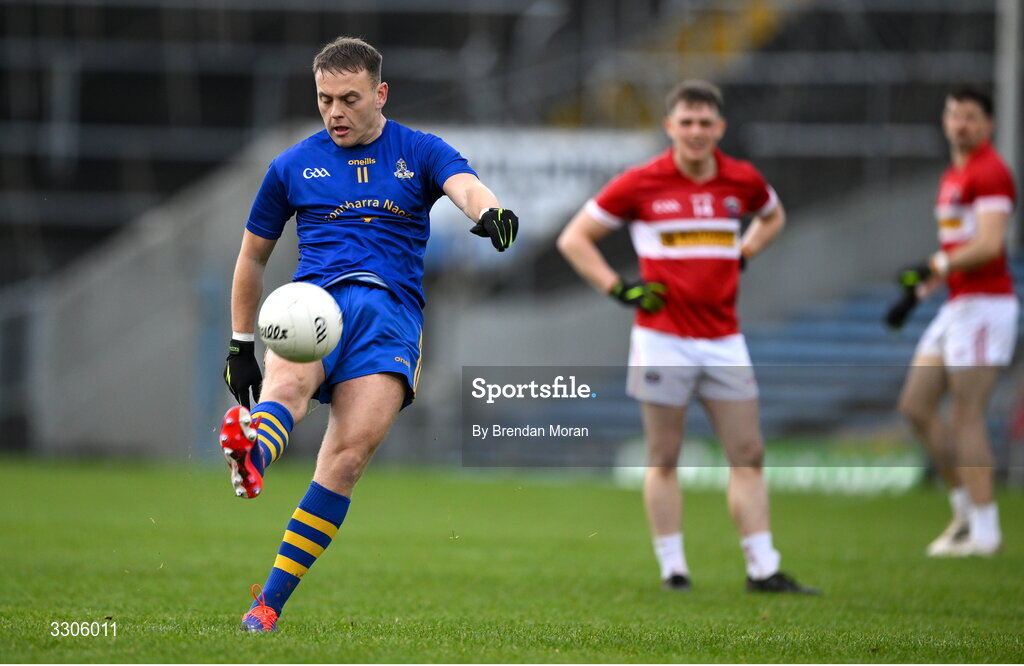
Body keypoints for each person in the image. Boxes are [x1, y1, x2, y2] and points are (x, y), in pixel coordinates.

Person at [219, 36, 518, 632]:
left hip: (389, 318)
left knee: (345, 461)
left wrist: (488, 214)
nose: (335, 112)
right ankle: (252, 456)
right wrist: (240, 343)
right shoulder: (291, 165)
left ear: (379, 94)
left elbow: (466, 185)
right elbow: (251, 258)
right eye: (325, 98)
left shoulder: (420, 150)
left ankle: (267, 605)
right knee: (287, 391)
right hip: (313, 304)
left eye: (349, 98)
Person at [557, 80, 815, 594]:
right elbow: (574, 238)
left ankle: (763, 568)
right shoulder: (641, 182)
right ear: (670, 126)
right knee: (665, 456)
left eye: (705, 123)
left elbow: (774, 216)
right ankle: (674, 568)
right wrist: (619, 289)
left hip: (724, 338)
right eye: (687, 122)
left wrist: (743, 253)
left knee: (748, 451)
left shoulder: (741, 180)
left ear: (720, 128)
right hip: (662, 340)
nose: (696, 131)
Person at [894, 87, 1017, 558]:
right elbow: (957, 251)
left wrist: (937, 268)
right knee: (915, 406)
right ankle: (964, 512)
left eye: (970, 116)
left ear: (987, 124)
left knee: (967, 416)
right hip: (959, 304)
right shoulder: (953, 176)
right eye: (954, 115)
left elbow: (989, 244)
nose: (961, 124)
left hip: (987, 305)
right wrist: (921, 289)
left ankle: (986, 532)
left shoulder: (990, 173)